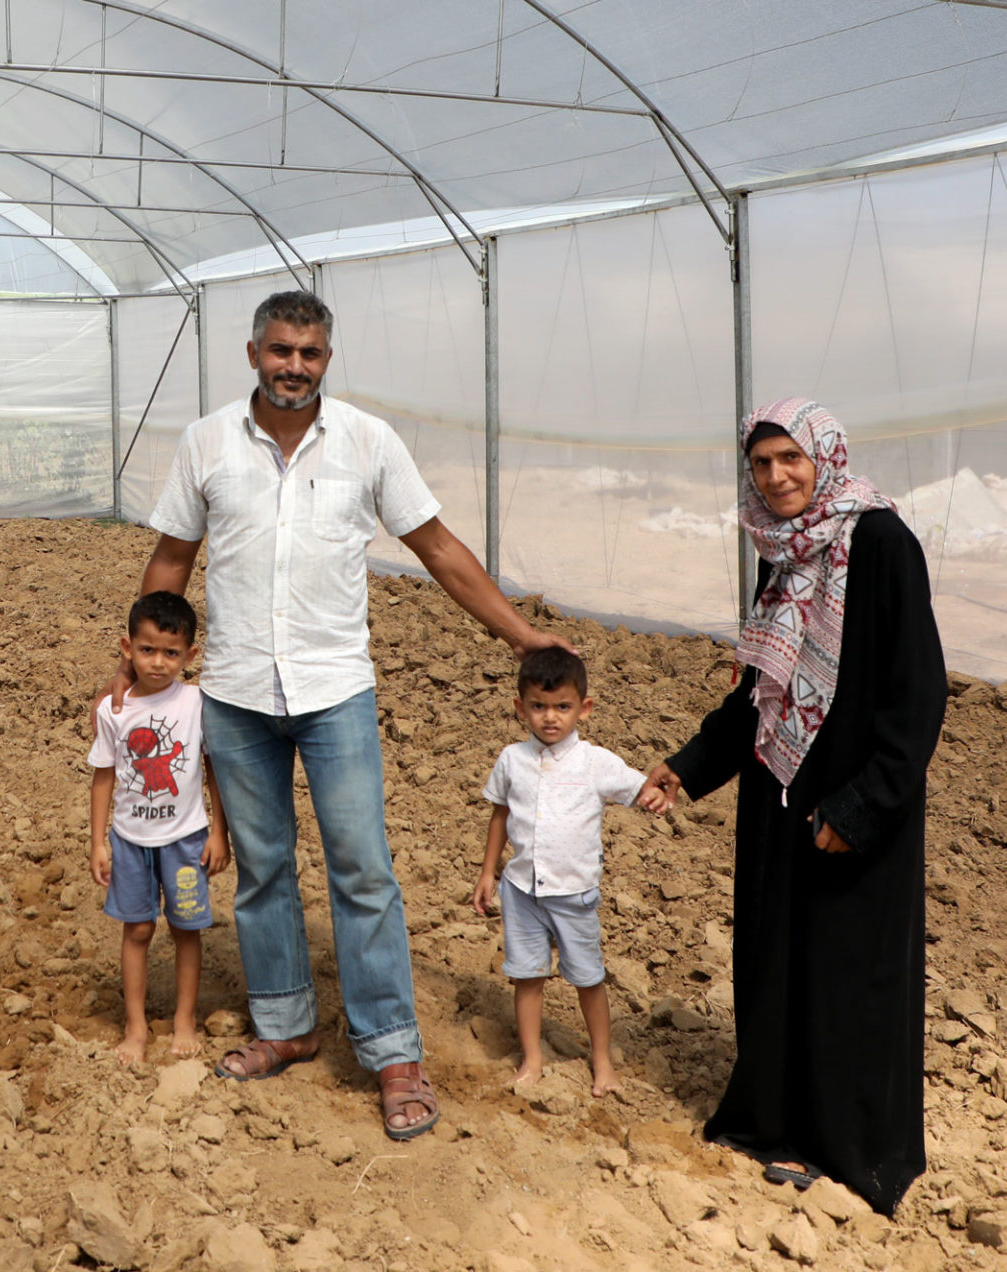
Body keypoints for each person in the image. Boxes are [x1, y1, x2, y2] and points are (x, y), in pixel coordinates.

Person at [121, 289, 567, 1140]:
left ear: (328, 359)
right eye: (281, 350)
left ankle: (393, 1050)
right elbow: (171, 556)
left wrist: (519, 633)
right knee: (262, 867)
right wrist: (135, 664)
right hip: (239, 692)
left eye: (311, 353)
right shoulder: (207, 442)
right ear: (252, 353)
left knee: (363, 868)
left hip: (335, 692)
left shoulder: (368, 442)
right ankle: (285, 1028)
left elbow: (436, 547)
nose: (295, 366)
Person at [639, 397, 945, 1216]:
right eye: (762, 464)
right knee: (779, 957)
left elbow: (918, 698)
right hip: (781, 792)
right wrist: (691, 764)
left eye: (790, 460)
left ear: (825, 458)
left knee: (848, 969)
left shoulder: (880, 543)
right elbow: (759, 693)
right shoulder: (782, 550)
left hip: (852, 801)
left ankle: (849, 1146)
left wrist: (864, 806)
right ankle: (775, 1121)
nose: (775, 477)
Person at [470, 647, 670, 1093]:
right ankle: (532, 1061)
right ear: (520, 707)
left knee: (587, 978)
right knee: (527, 976)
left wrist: (658, 795)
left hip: (574, 894)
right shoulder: (511, 760)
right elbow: (500, 814)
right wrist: (489, 872)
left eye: (563, 707)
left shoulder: (595, 763)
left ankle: (603, 1063)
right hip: (521, 890)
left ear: (585, 708)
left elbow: (639, 789)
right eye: (538, 707)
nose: (550, 718)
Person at [88, 591, 232, 1065]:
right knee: (138, 930)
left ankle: (185, 1021)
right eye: (147, 650)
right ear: (127, 648)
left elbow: (212, 770)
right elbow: (104, 775)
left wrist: (218, 832)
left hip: (187, 840)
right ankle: (135, 1027)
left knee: (186, 929)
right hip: (129, 843)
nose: (158, 662)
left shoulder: (196, 703)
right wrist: (98, 842)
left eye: (171, 653)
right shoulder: (112, 710)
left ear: (190, 655)